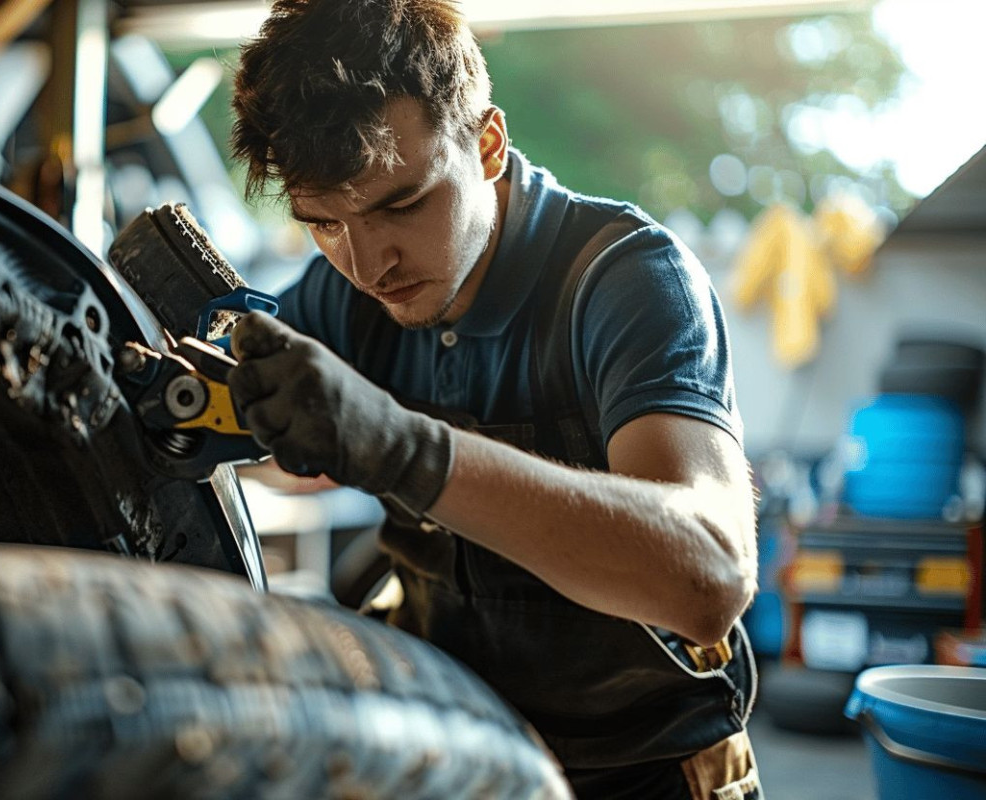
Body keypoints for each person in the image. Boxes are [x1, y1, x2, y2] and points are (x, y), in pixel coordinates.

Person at [223, 1, 760, 798]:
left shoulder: (625, 283)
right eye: (323, 223)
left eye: (401, 204)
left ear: (487, 144)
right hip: (458, 761)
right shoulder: (346, 298)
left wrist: (406, 449)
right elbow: (253, 441)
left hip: (647, 773)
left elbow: (709, 579)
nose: (368, 264)